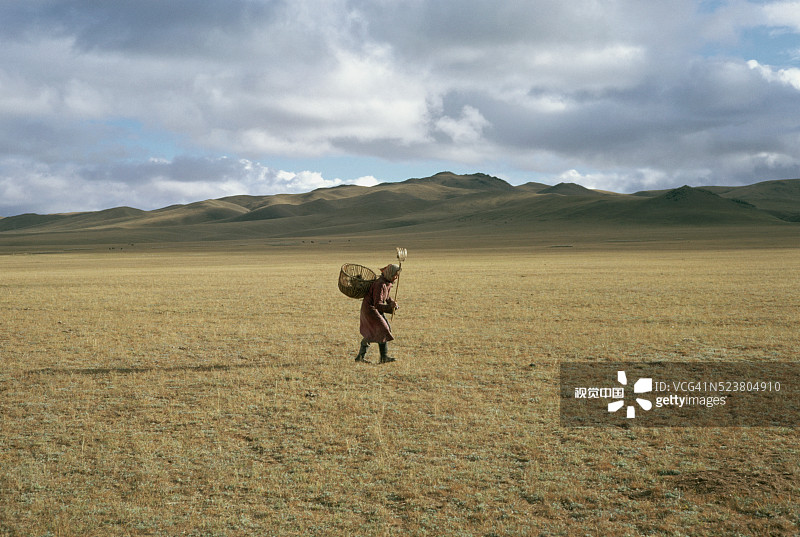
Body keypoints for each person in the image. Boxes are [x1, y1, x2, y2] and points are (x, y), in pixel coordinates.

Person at [355, 264, 401, 364]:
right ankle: (372, 357)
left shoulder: (387, 282)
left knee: (384, 329)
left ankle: (380, 357)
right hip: (370, 310)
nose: (396, 277)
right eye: (395, 275)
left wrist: (393, 304)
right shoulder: (380, 284)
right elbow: (377, 304)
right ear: (390, 274)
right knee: (381, 330)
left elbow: (387, 297)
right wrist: (390, 307)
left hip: (375, 309)